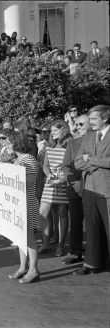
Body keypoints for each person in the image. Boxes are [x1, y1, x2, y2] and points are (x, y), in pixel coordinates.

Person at [73, 105, 110, 275]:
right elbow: (77, 162)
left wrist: (91, 160)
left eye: (94, 119)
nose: (91, 122)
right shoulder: (88, 137)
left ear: (105, 118)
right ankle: (91, 263)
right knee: (92, 227)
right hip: (89, 187)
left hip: (106, 189)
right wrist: (95, 162)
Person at [7, 132, 41, 284]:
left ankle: (33, 270)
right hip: (19, 202)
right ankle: (23, 267)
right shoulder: (18, 159)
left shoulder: (28, 159)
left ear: (16, 144)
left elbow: (29, 181)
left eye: (8, 143)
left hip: (27, 201)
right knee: (20, 236)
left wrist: (15, 171)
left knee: (29, 237)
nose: (6, 146)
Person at [38, 120, 71, 256]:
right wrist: (49, 175)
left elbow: (71, 167)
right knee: (43, 212)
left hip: (63, 182)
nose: (51, 133)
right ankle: (45, 243)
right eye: (51, 131)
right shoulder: (49, 147)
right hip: (50, 183)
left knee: (62, 213)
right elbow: (45, 165)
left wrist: (61, 179)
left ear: (63, 130)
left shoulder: (70, 146)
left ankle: (60, 245)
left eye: (54, 131)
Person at [61, 115, 89, 265]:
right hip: (74, 189)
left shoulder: (99, 141)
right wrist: (73, 181)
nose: (77, 127)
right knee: (76, 223)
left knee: (93, 224)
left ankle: (93, 255)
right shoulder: (73, 143)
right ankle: (74, 253)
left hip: (91, 188)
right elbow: (65, 166)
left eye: (81, 124)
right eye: (76, 124)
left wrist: (82, 184)